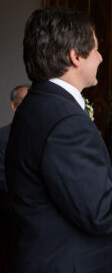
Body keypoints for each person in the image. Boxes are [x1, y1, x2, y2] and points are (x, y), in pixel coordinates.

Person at [5, 7, 112, 273]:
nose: (100, 57)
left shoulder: (36, 103)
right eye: (96, 49)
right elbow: (103, 214)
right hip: (67, 262)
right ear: (75, 56)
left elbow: (74, 190)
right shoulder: (66, 121)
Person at [0, 85, 29, 273]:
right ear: (13, 106)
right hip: (9, 217)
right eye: (22, 104)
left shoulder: (45, 135)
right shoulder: (2, 137)